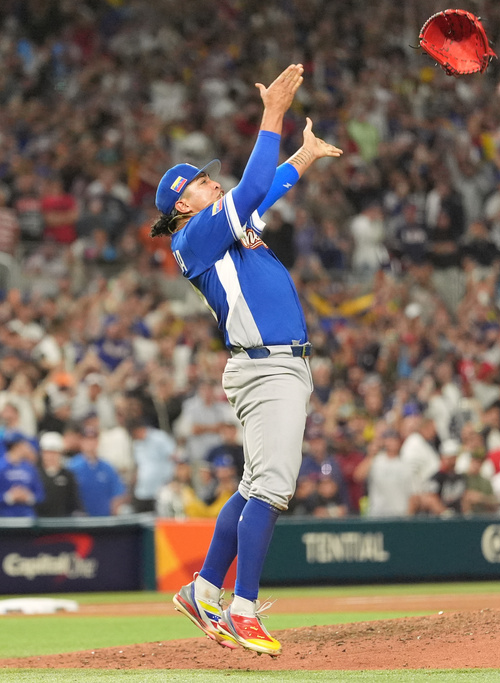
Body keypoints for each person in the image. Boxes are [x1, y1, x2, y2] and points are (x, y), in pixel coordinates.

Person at [159, 63, 343, 657]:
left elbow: (265, 190)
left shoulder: (223, 233)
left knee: (252, 485)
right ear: (181, 204)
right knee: (271, 488)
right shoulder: (195, 237)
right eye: (203, 183)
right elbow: (252, 188)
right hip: (266, 366)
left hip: (273, 364)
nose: (214, 184)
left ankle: (205, 590)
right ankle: (242, 609)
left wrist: (304, 158)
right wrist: (273, 116)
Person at [67, 422, 127, 516]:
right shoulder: (72, 466)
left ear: (97, 442)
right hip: (81, 520)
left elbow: (118, 492)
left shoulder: (107, 467)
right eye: (87, 439)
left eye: (93, 439)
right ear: (81, 441)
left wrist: (114, 511)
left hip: (104, 520)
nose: (90, 443)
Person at [0, 436, 45, 517]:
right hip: (5, 519)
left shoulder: (30, 468)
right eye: (25, 445)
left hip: (28, 518)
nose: (29, 448)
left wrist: (28, 497)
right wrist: (9, 497)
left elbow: (40, 495)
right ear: (18, 446)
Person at [35, 431, 82, 518]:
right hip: (41, 525)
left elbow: (75, 502)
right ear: (42, 454)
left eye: (54, 452)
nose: (51, 456)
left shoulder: (68, 476)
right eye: (47, 452)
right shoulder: (35, 475)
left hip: (63, 525)